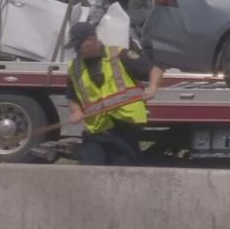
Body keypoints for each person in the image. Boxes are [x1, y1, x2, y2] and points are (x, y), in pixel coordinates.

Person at [65, 22, 163, 165]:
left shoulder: (119, 55)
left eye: (79, 45)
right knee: (89, 169)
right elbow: (71, 96)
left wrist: (153, 88)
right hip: (97, 130)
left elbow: (155, 70)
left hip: (124, 126)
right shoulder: (74, 67)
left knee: (123, 171)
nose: (77, 50)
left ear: (92, 39)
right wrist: (76, 111)